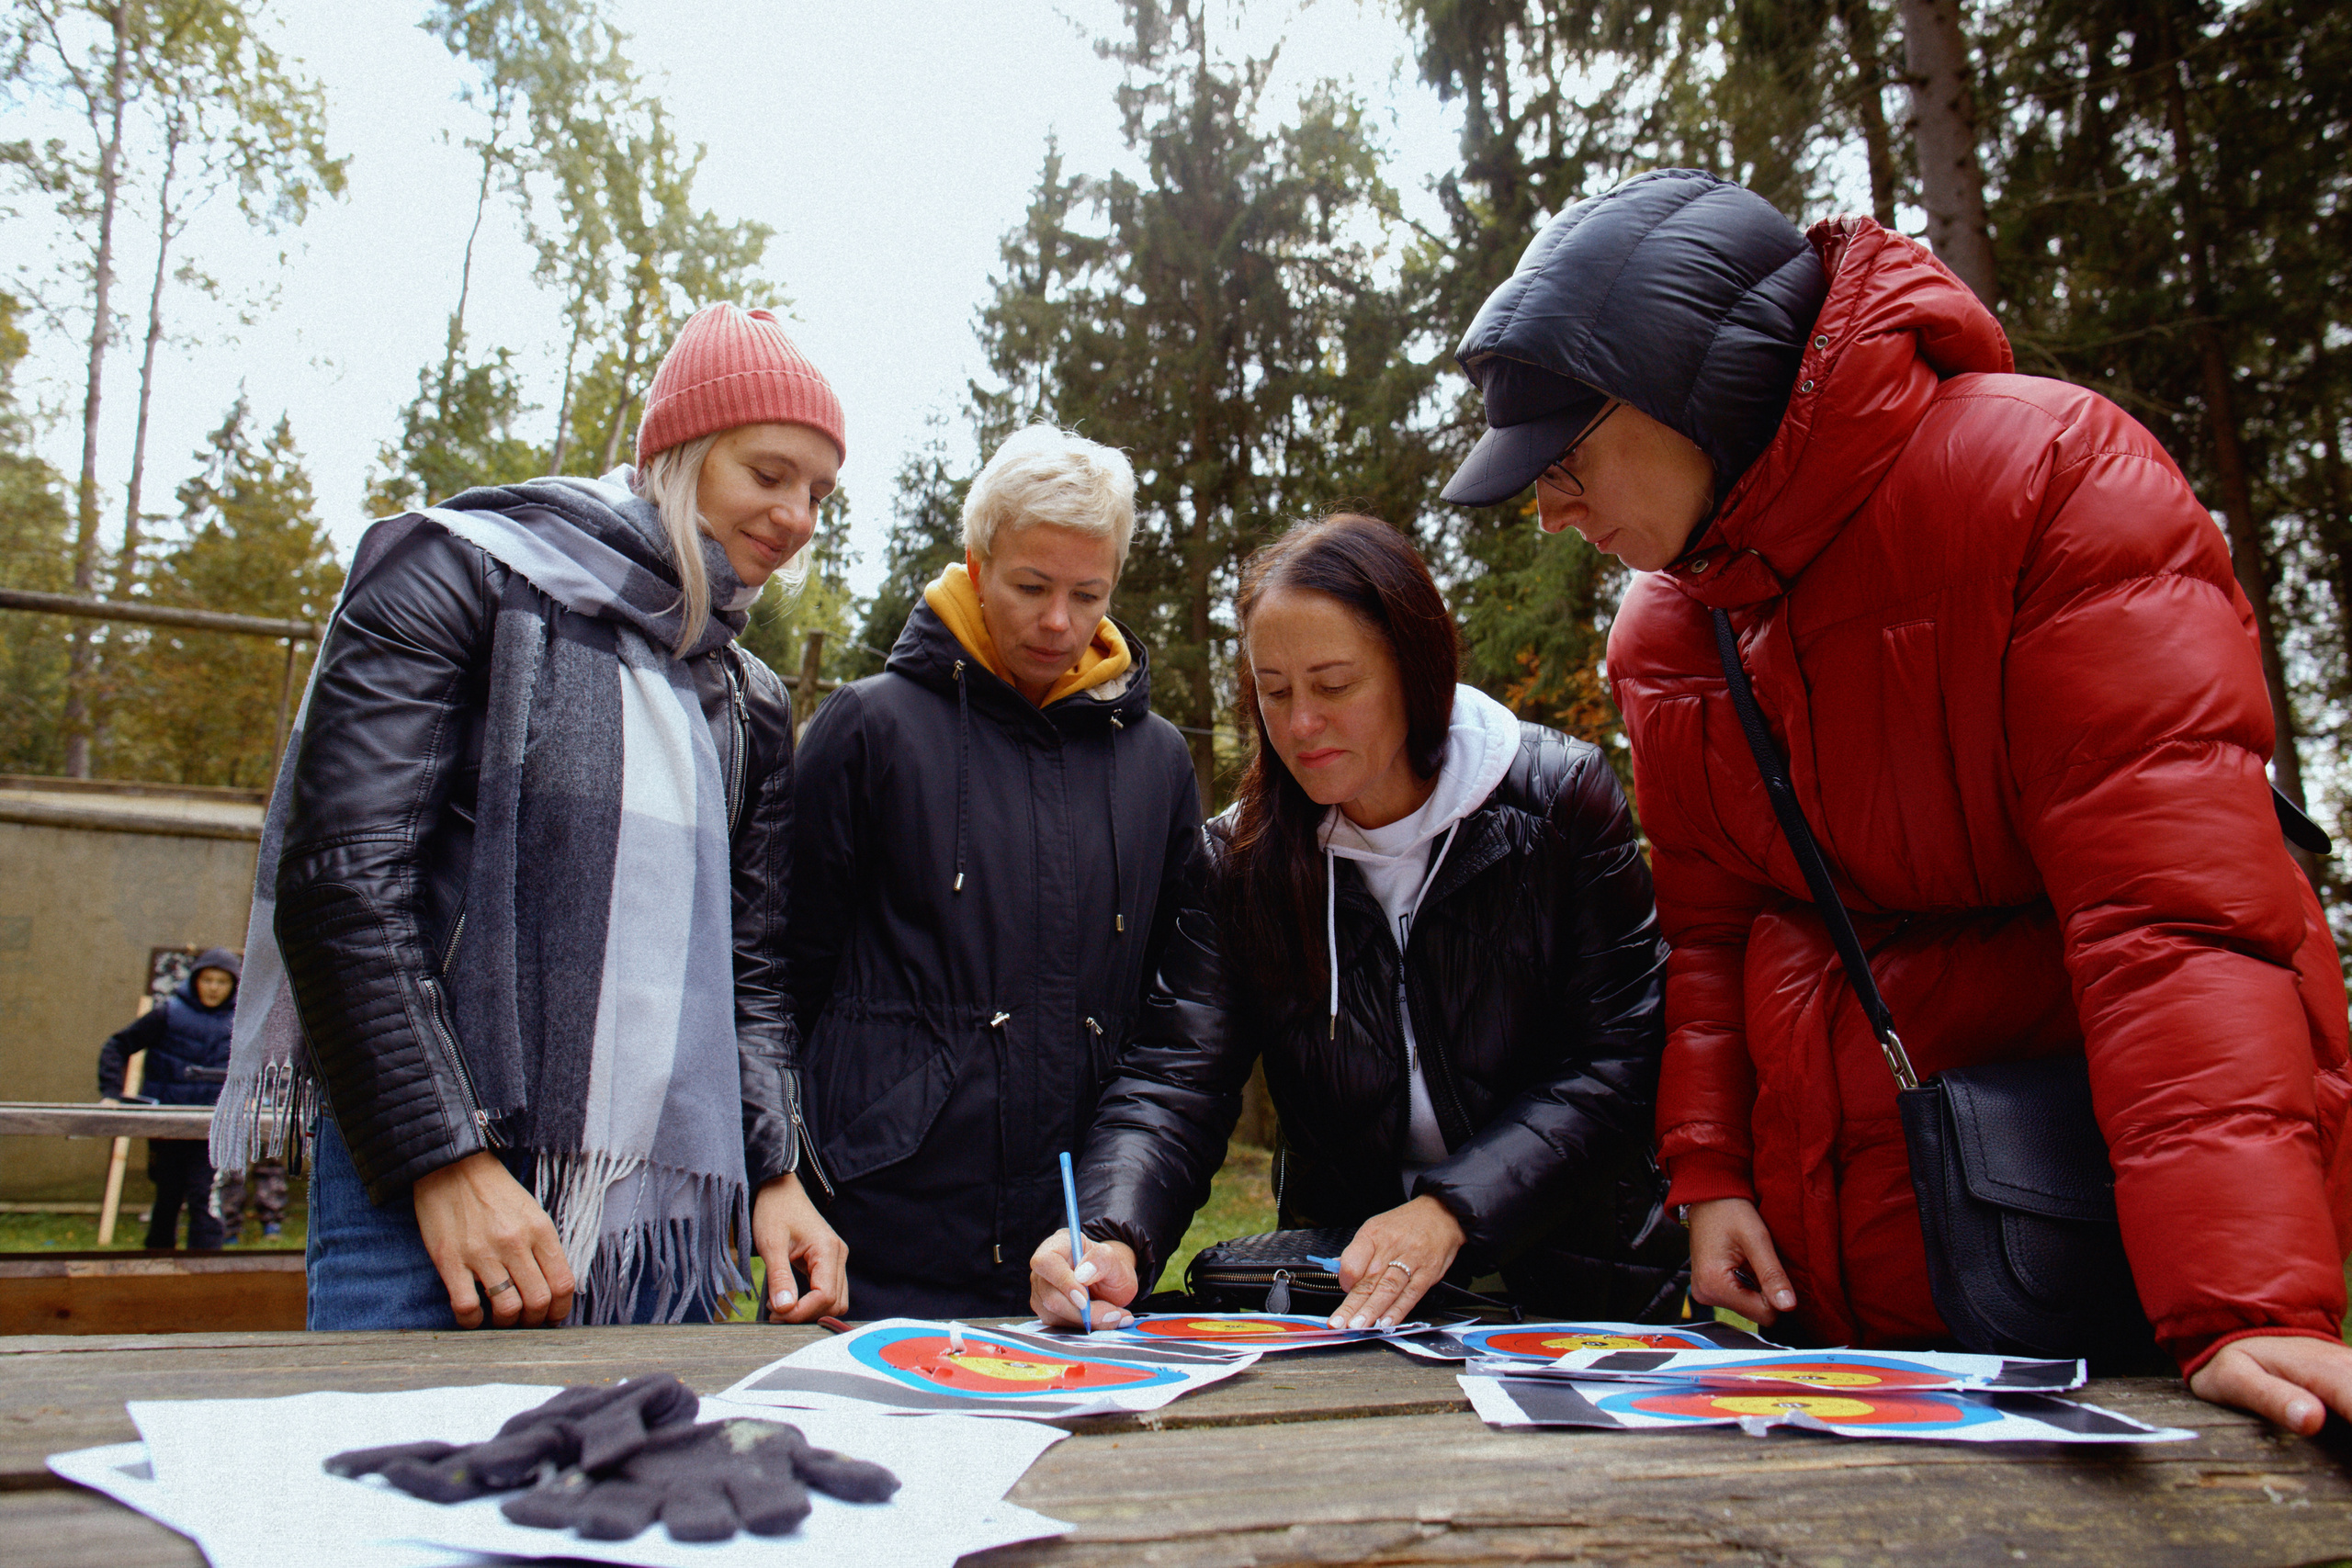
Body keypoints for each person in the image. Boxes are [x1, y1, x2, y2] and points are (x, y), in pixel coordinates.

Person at [1439, 167, 2352, 1429]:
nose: (1549, 511)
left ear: (1688, 389)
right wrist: (1712, 1173)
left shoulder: (2051, 482)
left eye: (1566, 459)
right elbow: (1710, 932)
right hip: (1833, 1287)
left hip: (2102, 1263)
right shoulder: (1668, 630)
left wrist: (2241, 1298)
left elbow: (2173, 918)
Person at [213, 303, 849, 1329]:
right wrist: (445, 1160)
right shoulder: (452, 572)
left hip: (656, 1213)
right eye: (768, 473)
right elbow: (343, 886)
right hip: (430, 1192)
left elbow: (753, 970)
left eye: (819, 493)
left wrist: (773, 1169)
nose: (798, 516)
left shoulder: (749, 700)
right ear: (678, 456)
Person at [1032, 513, 1686, 1332]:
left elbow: (1620, 1056)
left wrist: (1449, 1210)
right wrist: (1112, 1232)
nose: (1300, 723)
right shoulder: (1240, 859)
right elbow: (1177, 1076)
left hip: (1582, 1292)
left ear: (1415, 670)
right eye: (1274, 692)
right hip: (1352, 1301)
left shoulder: (1559, 801)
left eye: (1334, 686)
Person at [790, 423, 1202, 1317]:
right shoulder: (869, 730)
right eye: (1031, 586)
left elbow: (1174, 1021)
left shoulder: (1158, 763)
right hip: (873, 1243)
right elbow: (781, 981)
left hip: (1079, 1255)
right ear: (977, 566)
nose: (1059, 621)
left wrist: (1119, 1214)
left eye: (1088, 594)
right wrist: (782, 1174)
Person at [98, 948, 239, 1250]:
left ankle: (206, 1268)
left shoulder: (242, 1022)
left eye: (222, 982)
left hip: (214, 1128)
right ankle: (157, 1263)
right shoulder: (168, 1013)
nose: (214, 988)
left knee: (205, 1197)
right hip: (167, 1125)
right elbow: (117, 1046)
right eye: (207, 980)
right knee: (167, 1196)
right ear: (195, 981)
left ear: (233, 986)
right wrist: (111, 1093)